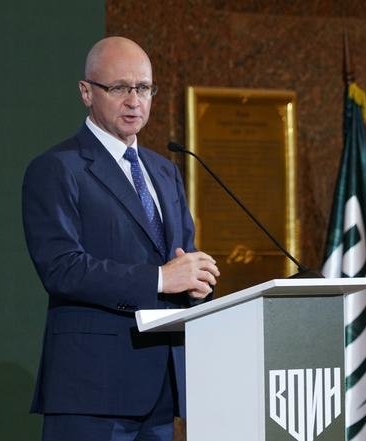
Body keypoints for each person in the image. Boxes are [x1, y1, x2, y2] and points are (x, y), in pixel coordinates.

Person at [22, 36, 220, 441]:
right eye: (119, 88)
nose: (134, 101)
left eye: (143, 88)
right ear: (86, 93)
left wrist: (198, 280)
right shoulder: (57, 168)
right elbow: (62, 269)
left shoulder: (164, 171)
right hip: (93, 390)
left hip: (162, 388)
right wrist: (161, 279)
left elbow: (182, 254)